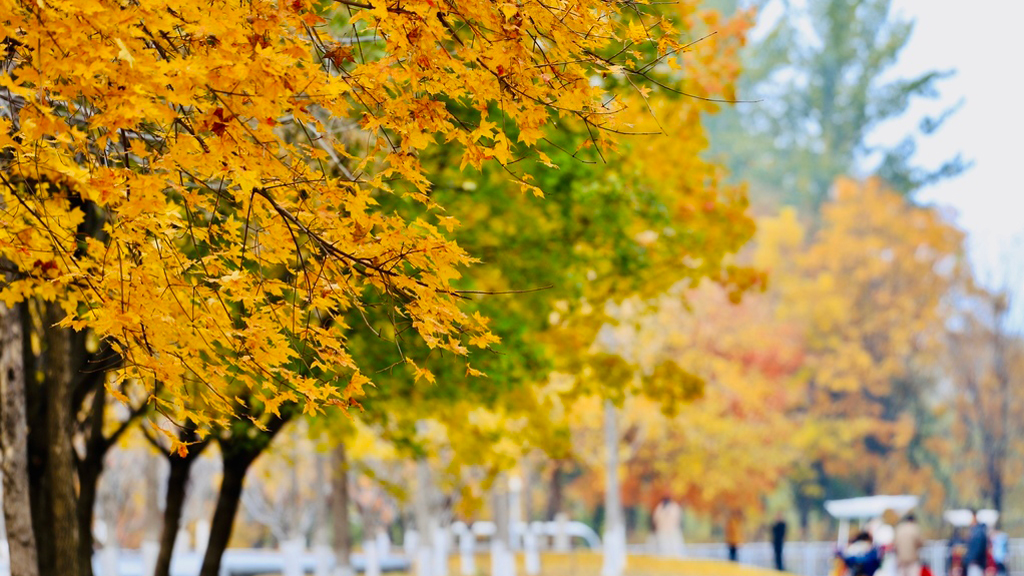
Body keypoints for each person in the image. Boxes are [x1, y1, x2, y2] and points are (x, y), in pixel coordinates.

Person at [964, 510, 989, 576]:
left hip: (975, 562)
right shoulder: (977, 531)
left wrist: (970, 559)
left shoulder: (978, 533)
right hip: (975, 562)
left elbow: (977, 549)